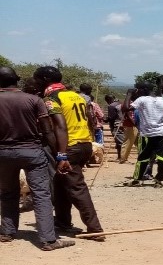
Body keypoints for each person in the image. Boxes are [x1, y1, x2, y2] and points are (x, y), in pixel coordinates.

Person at [0, 67, 74, 250]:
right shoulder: (35, 100)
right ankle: (48, 240)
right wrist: (59, 154)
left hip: (3, 153)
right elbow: (48, 130)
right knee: (41, 194)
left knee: (8, 193)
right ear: (17, 80)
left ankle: (7, 232)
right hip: (32, 152)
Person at [33, 65, 105, 239]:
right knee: (60, 183)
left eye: (36, 79)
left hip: (69, 147)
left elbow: (59, 126)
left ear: (44, 80)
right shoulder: (76, 96)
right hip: (85, 144)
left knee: (76, 187)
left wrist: (61, 154)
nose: (34, 83)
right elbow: (90, 120)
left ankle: (95, 228)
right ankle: (63, 222)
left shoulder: (51, 98)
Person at [123, 83, 163, 187]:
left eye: (138, 89)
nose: (137, 91)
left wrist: (129, 94)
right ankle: (159, 180)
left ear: (143, 89)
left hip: (146, 134)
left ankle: (138, 179)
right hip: (162, 133)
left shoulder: (142, 100)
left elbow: (125, 108)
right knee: (162, 157)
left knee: (143, 157)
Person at [105, 94, 124, 161]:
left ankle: (121, 157)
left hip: (116, 125)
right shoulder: (121, 103)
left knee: (119, 142)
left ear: (108, 100)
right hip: (123, 124)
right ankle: (120, 156)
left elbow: (111, 118)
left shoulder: (111, 106)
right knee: (120, 141)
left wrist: (105, 120)